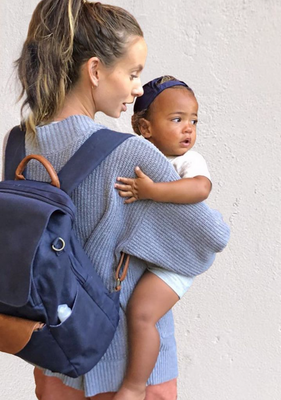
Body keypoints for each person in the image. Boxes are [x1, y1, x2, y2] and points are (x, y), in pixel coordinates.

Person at [12, 1, 230, 399]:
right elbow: (209, 238)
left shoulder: (21, 144)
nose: (137, 88)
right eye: (132, 73)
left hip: (53, 361)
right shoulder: (129, 155)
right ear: (95, 70)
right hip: (124, 373)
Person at [113, 76, 213, 400]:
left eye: (193, 120)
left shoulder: (188, 161)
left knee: (142, 313)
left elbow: (200, 188)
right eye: (177, 119)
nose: (189, 129)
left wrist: (153, 191)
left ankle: (134, 385)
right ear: (145, 128)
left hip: (177, 261)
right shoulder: (137, 157)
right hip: (153, 256)